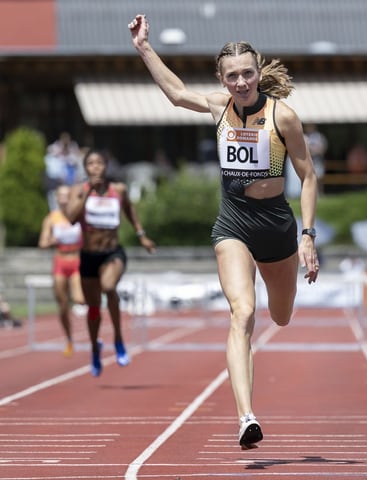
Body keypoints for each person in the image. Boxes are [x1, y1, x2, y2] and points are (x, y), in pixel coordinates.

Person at [129, 14, 320, 449]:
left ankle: (280, 298)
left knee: (281, 316)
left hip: (276, 225)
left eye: (247, 73)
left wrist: (307, 235)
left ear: (258, 73)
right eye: (231, 76)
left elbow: (308, 177)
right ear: (222, 78)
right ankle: (246, 417)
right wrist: (144, 47)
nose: (240, 82)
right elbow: (177, 94)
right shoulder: (219, 107)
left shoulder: (283, 117)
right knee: (243, 313)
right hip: (233, 221)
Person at [64, 149, 156, 377]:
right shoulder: (78, 191)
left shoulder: (118, 190)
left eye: (99, 163)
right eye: (91, 163)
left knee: (109, 287)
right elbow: (71, 218)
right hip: (88, 256)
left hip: (112, 253)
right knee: (93, 308)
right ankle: (95, 346)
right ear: (85, 168)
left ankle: (118, 337)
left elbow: (130, 212)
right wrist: (87, 194)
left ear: (106, 166)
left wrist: (141, 234)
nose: (95, 167)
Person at [38, 185, 85, 356]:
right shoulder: (52, 218)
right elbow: (42, 244)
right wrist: (52, 240)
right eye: (61, 196)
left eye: (67, 195)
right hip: (60, 261)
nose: (64, 199)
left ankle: (92, 332)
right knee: (63, 305)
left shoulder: (79, 216)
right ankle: (69, 339)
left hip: (77, 261)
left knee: (80, 299)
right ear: (57, 198)